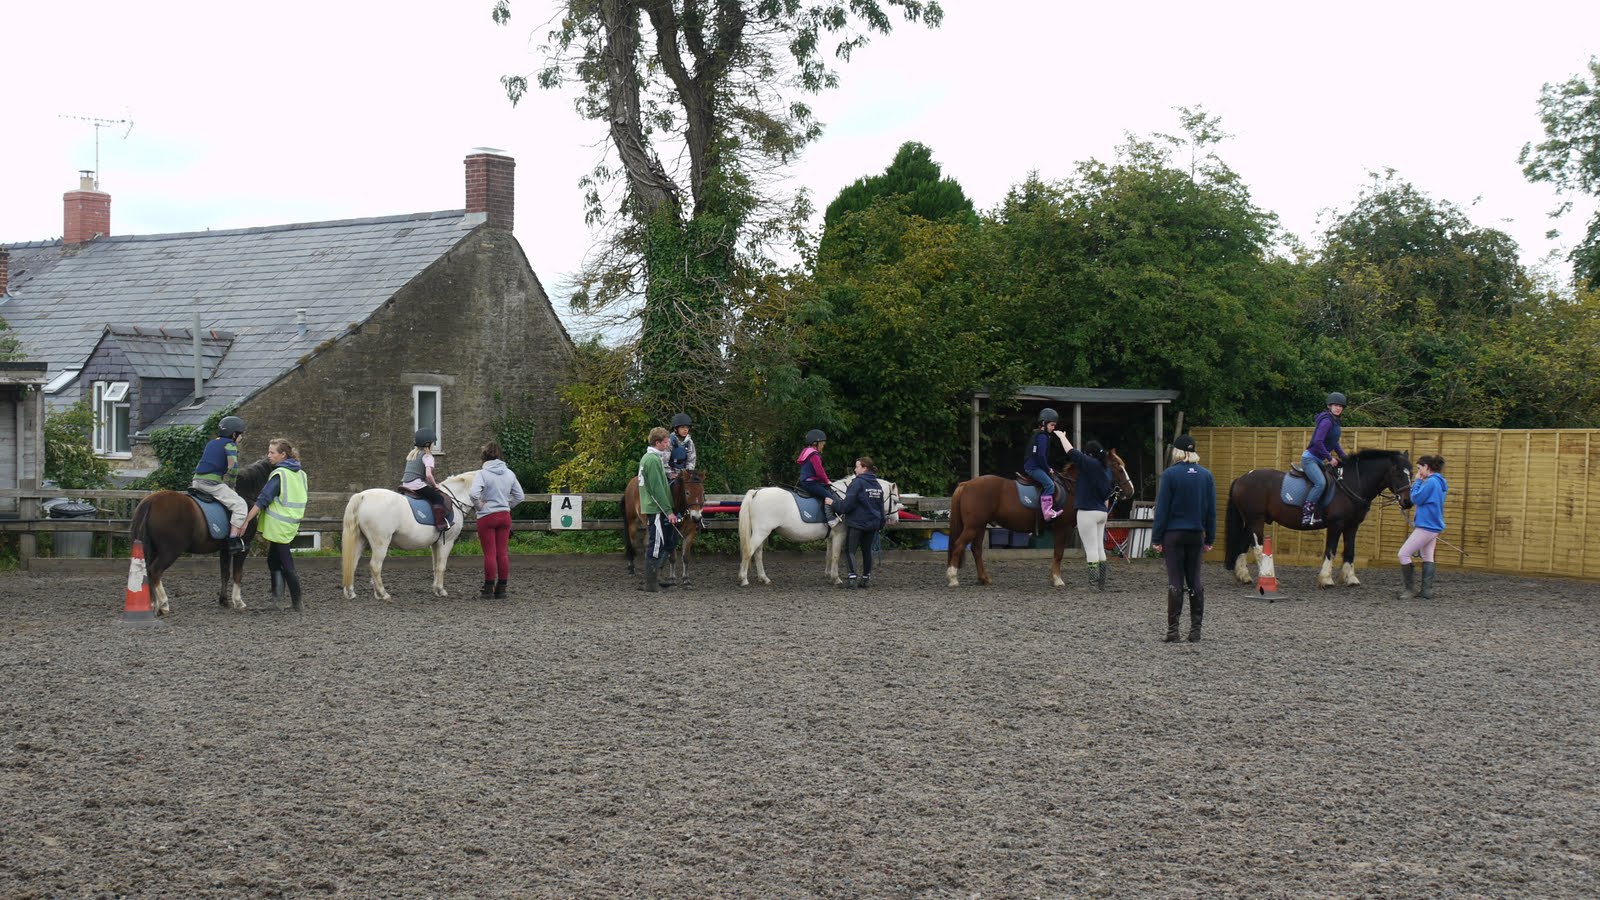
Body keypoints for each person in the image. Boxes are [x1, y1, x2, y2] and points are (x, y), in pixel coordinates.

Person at [1152, 435, 1216, 643]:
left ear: (1177, 452)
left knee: (1175, 581)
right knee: (1195, 580)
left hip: (1174, 534)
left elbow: (1162, 509)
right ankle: (1195, 631)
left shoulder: (1170, 475)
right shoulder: (1206, 476)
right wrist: (1210, 538)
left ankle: (1173, 631)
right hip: (1196, 534)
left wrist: (1156, 537)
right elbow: (1211, 511)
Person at [243, 438, 306, 609]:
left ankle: (296, 603)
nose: (268, 455)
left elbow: (263, 499)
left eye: (272, 452)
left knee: (286, 562)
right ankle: (279, 601)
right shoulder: (300, 474)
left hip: (279, 525)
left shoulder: (280, 474)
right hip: (291, 523)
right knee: (273, 559)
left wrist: (246, 520)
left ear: (283, 454)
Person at [470, 439, 525, 599]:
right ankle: (501, 588)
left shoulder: (482, 474)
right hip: (504, 516)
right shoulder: (509, 473)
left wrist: (479, 507)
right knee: (502, 553)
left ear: (484, 456)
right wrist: (507, 505)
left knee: (489, 554)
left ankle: (488, 589)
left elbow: (473, 494)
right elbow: (520, 496)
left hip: (487, 516)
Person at [1061, 435, 1114, 589]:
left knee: (1091, 549)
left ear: (1089, 454)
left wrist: (1061, 436)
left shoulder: (1090, 463)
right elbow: (1107, 496)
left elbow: (1071, 451)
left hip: (1087, 512)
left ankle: (1093, 583)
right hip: (1101, 512)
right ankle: (1101, 583)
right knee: (1099, 548)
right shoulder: (1106, 469)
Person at [192, 415, 250, 554]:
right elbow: (233, 468)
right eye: (240, 434)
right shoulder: (230, 445)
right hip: (212, 484)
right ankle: (233, 541)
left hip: (196, 482)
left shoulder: (211, 443)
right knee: (240, 506)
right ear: (233, 434)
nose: (241, 438)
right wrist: (232, 486)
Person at [1397, 454, 1449, 601]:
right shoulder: (1440, 482)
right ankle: (1426, 590)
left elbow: (1416, 498)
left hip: (1426, 526)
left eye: (1420, 468)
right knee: (1428, 556)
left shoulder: (1431, 482)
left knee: (1403, 554)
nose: (1419, 472)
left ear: (1427, 467)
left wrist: (1417, 482)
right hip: (1433, 526)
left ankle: (1410, 590)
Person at [832, 456, 886, 589]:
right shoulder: (877, 485)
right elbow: (881, 507)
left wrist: (833, 503)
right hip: (873, 524)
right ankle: (866, 579)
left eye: (857, 467)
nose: (855, 470)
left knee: (850, 550)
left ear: (864, 468)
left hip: (857, 523)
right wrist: (880, 524)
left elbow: (846, 506)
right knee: (867, 551)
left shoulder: (857, 483)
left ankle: (852, 580)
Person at [637, 426, 680, 593]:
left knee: (660, 541)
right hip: (655, 507)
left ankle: (654, 579)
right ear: (657, 442)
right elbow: (657, 489)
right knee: (656, 543)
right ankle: (651, 582)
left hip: (655, 506)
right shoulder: (653, 460)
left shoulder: (652, 458)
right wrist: (668, 511)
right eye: (665, 442)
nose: (668, 444)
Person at [1300, 392, 1349, 525]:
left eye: (1340, 406)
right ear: (1329, 406)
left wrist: (1344, 457)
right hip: (1310, 459)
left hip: (1319, 460)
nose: (1338, 408)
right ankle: (1306, 514)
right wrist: (1330, 458)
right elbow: (1318, 441)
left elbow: (1334, 443)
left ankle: (1319, 511)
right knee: (1320, 483)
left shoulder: (1335, 422)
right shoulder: (1327, 421)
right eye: (1335, 405)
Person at [400, 428, 450, 535]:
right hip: (416, 485)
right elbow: (428, 475)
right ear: (428, 444)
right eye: (433, 443)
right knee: (438, 498)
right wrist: (435, 485)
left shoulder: (412, 454)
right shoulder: (427, 456)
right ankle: (440, 523)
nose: (433, 445)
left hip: (405, 484)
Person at [1024, 409, 1062, 521]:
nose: (1053, 428)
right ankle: (1047, 512)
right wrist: (1048, 468)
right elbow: (1041, 456)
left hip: (1032, 466)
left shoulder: (1038, 434)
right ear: (1044, 423)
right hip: (1033, 468)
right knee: (1050, 485)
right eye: (1052, 425)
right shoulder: (1043, 436)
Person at [797, 429, 839, 526]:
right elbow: (820, 471)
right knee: (829, 496)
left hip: (805, 481)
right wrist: (827, 481)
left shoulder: (806, 452)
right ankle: (831, 519)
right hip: (811, 483)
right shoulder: (814, 455)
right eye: (822, 444)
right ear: (815, 443)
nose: (823, 446)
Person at [667, 413, 697, 482]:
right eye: (682, 427)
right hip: (670, 473)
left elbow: (691, 460)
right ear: (676, 429)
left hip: (684, 473)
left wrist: (687, 473)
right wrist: (670, 474)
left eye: (687, 427)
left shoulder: (689, 442)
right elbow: (664, 460)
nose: (685, 430)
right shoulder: (669, 441)